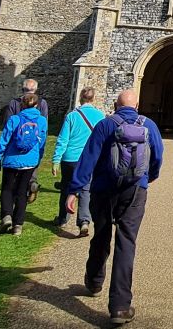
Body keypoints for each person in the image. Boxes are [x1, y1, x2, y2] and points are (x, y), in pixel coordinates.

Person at [68, 88, 164, 326]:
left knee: (101, 236)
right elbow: (158, 156)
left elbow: (88, 158)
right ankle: (120, 307)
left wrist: (74, 189)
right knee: (126, 243)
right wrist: (149, 177)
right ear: (137, 106)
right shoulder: (149, 125)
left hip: (103, 190)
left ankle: (94, 280)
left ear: (115, 105)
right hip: (135, 191)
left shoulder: (105, 125)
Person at [52, 86, 105, 236]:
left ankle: (62, 218)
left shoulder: (72, 116)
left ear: (80, 98)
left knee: (66, 188)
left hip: (70, 158)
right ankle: (84, 222)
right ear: (93, 98)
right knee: (86, 190)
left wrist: (56, 160)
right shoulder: (100, 116)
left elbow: (63, 140)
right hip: (89, 159)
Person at [0, 91, 47, 236]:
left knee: (7, 189)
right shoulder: (42, 121)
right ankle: (18, 225)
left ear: (22, 104)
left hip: (11, 160)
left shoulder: (14, 119)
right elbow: (42, 142)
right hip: (30, 161)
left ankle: (6, 216)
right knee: (22, 192)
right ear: (37, 105)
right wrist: (38, 157)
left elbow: (4, 139)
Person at [4, 78, 49, 203]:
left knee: (14, 172)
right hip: (34, 143)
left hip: (15, 143)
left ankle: (14, 197)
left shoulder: (14, 103)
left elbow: (8, 124)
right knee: (31, 167)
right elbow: (44, 125)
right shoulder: (42, 103)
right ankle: (32, 184)